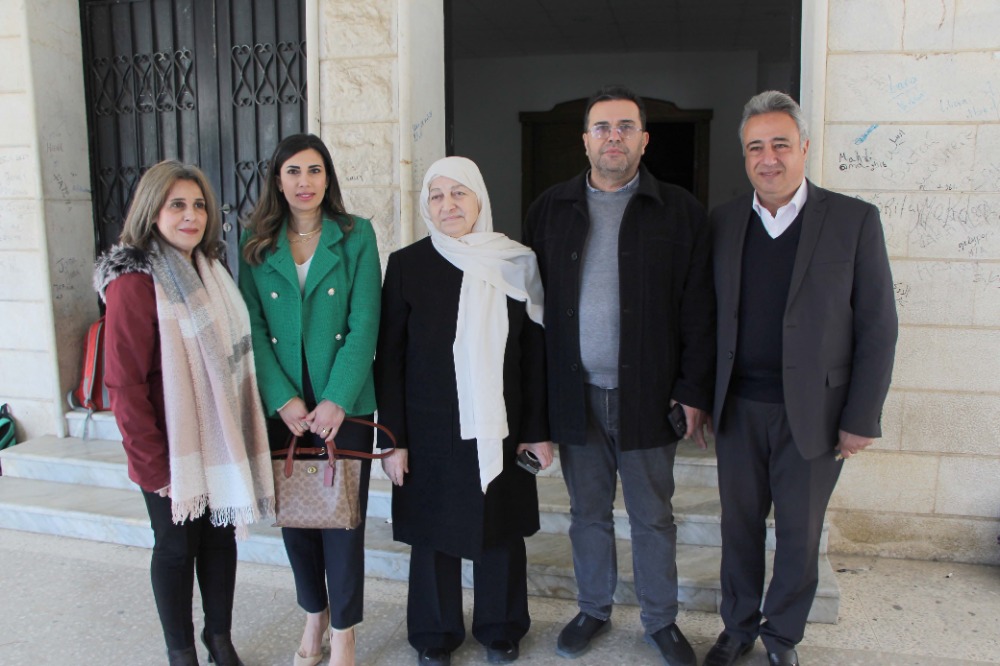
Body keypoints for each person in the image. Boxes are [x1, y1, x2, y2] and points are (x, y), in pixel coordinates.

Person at [522, 85, 715, 666]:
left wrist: (692, 390)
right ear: (585, 140)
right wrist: (536, 407)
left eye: (625, 127)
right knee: (587, 513)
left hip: (650, 395)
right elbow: (531, 313)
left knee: (653, 516)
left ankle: (661, 620)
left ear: (644, 139)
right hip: (575, 395)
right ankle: (593, 609)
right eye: (602, 127)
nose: (614, 137)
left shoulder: (679, 211)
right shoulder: (549, 209)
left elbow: (699, 309)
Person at [704, 91, 898, 666]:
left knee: (799, 532)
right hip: (738, 408)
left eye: (780, 144)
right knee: (738, 528)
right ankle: (737, 627)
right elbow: (705, 317)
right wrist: (698, 396)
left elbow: (878, 326)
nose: (768, 158)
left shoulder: (854, 220)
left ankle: (782, 636)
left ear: (804, 148)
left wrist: (861, 417)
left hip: (816, 412)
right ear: (744, 155)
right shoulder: (723, 222)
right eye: (755, 147)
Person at [96, 160, 275, 666]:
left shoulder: (212, 272)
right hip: (170, 450)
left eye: (199, 205)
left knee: (220, 543)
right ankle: (181, 652)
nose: (191, 216)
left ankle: (219, 639)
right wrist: (152, 466)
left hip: (218, 440)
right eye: (177, 205)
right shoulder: (134, 282)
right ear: (152, 211)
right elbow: (124, 384)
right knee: (176, 549)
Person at [375, 156, 552, 666]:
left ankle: (501, 627)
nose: (448, 205)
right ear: (426, 205)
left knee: (500, 526)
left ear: (479, 199)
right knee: (434, 531)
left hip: (502, 423)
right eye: (437, 195)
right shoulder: (408, 265)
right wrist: (392, 439)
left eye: (459, 193)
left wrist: (537, 430)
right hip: (428, 426)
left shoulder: (515, 262)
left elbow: (534, 356)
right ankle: (435, 632)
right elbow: (390, 359)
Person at [238, 133, 381, 666]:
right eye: (293, 171)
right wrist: (281, 398)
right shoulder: (256, 242)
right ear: (278, 180)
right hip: (285, 406)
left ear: (328, 177)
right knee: (296, 518)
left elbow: (365, 321)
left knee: (343, 520)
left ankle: (343, 629)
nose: (305, 182)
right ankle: (313, 613)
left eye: (315, 170)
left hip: (345, 402)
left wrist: (338, 398)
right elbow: (251, 327)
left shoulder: (356, 234)